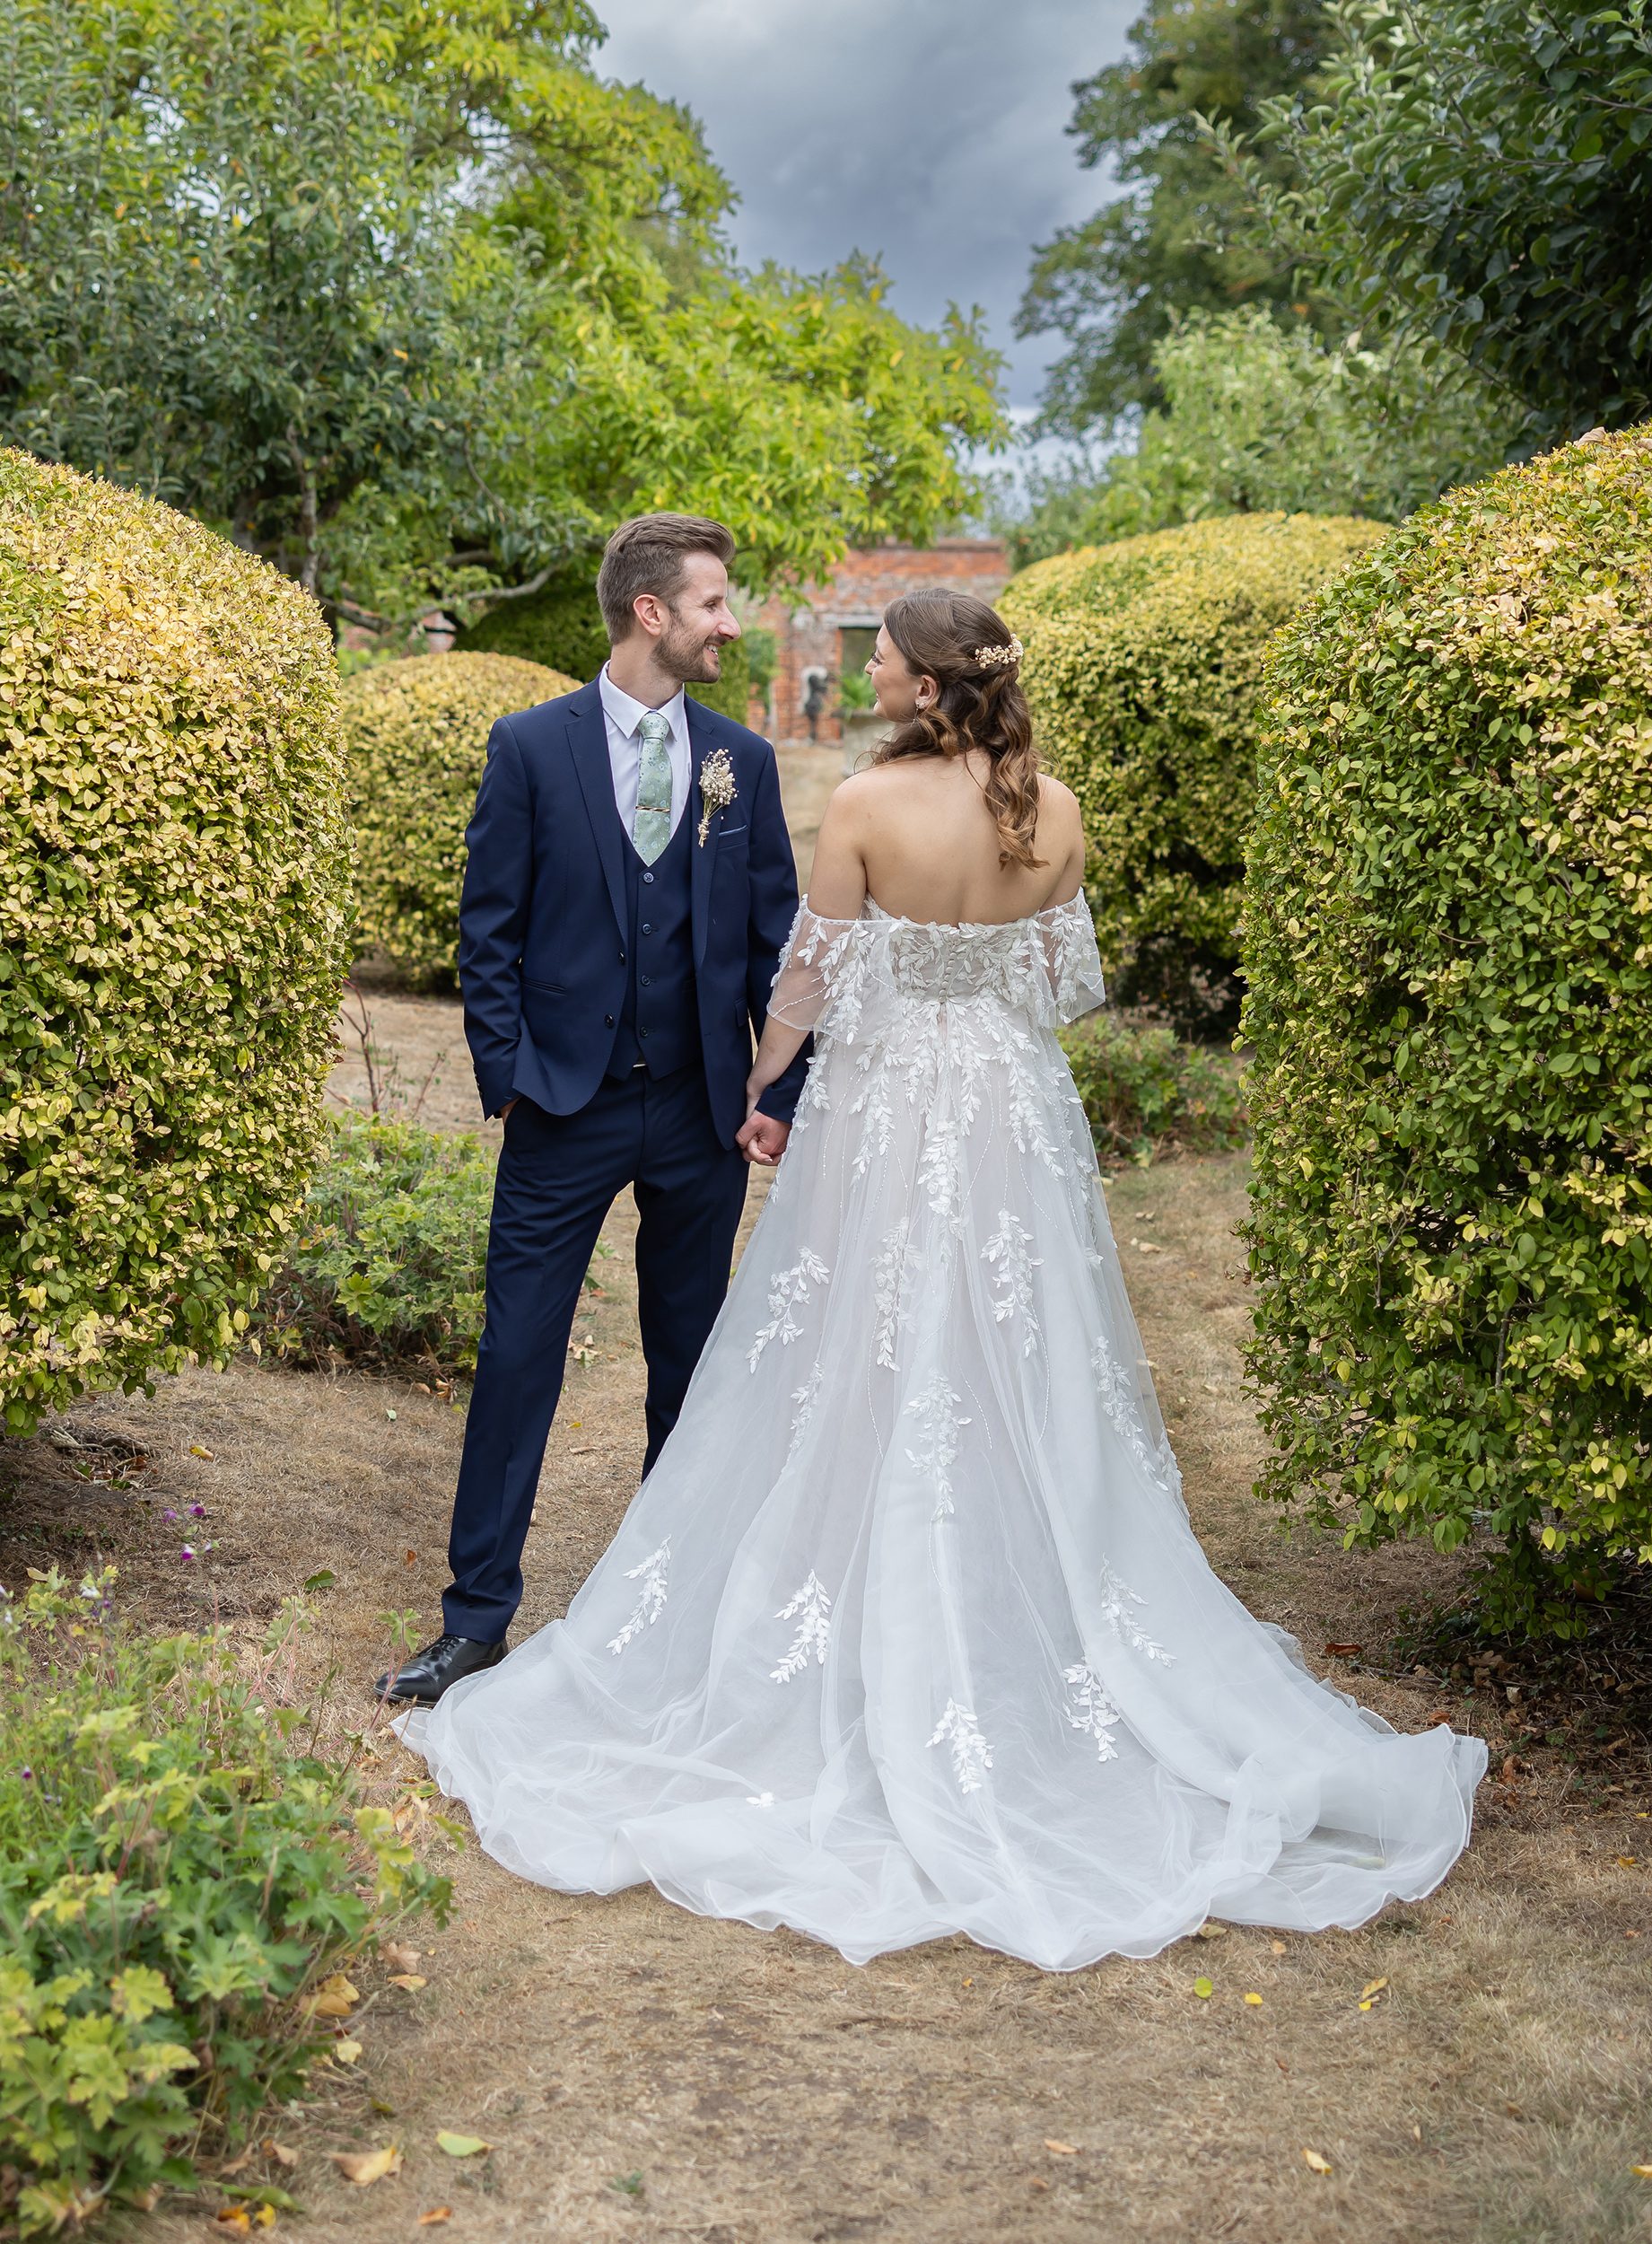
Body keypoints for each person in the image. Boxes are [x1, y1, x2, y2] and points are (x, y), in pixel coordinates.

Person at [401, 588, 1485, 1971]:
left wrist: (755, 1080)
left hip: (889, 1114)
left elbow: (807, 984)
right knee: (1014, 1353)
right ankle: (1022, 1591)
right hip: (1013, 1114)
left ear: (918, 687)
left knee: (852, 1344)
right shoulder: (1061, 806)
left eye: (885, 665)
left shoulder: (860, 807)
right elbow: (1059, 986)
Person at [378, 513, 808, 1707]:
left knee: (691, 1365)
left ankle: (666, 1607)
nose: (734, 623)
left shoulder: (742, 762)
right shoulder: (529, 747)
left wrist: (780, 1088)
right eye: (715, 602)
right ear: (651, 613)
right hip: (562, 1108)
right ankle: (474, 1623)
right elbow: (489, 926)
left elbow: (779, 941)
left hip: (700, 1112)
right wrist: (507, 1073)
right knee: (517, 1355)